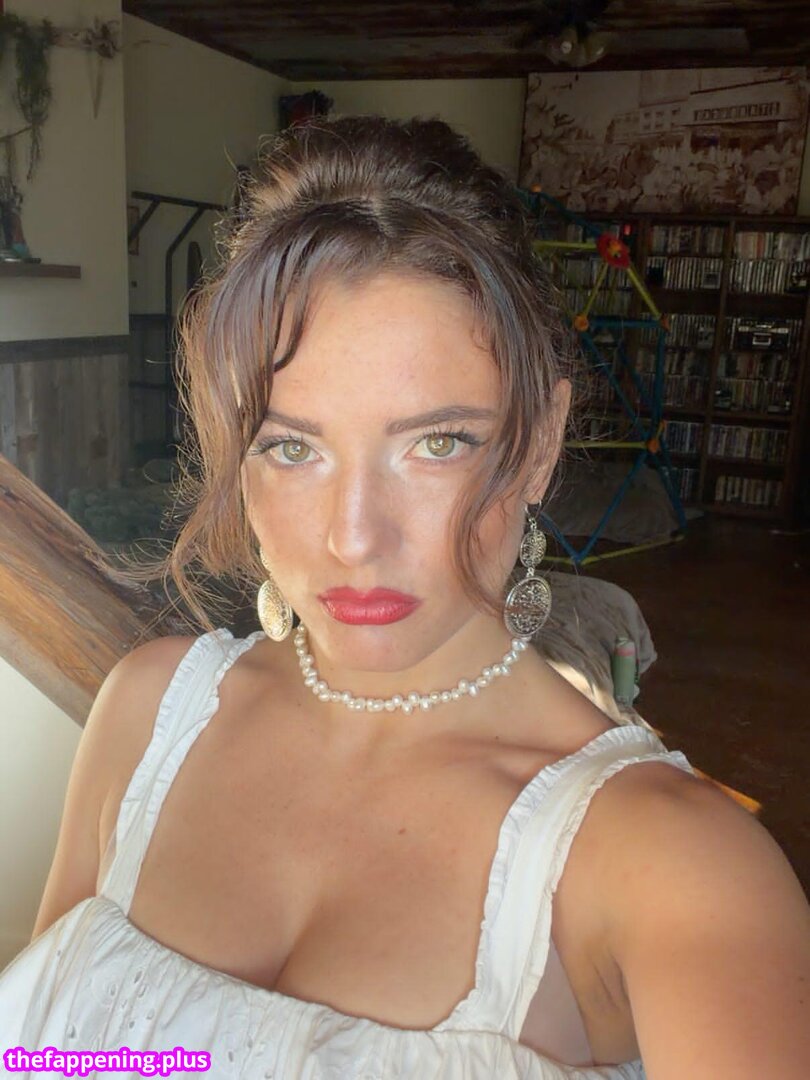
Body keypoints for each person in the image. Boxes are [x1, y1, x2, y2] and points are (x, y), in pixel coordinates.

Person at [1, 115, 808, 1079]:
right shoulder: (145, 714)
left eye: (437, 444)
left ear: (541, 443)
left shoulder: (678, 869)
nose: (353, 538)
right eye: (290, 447)